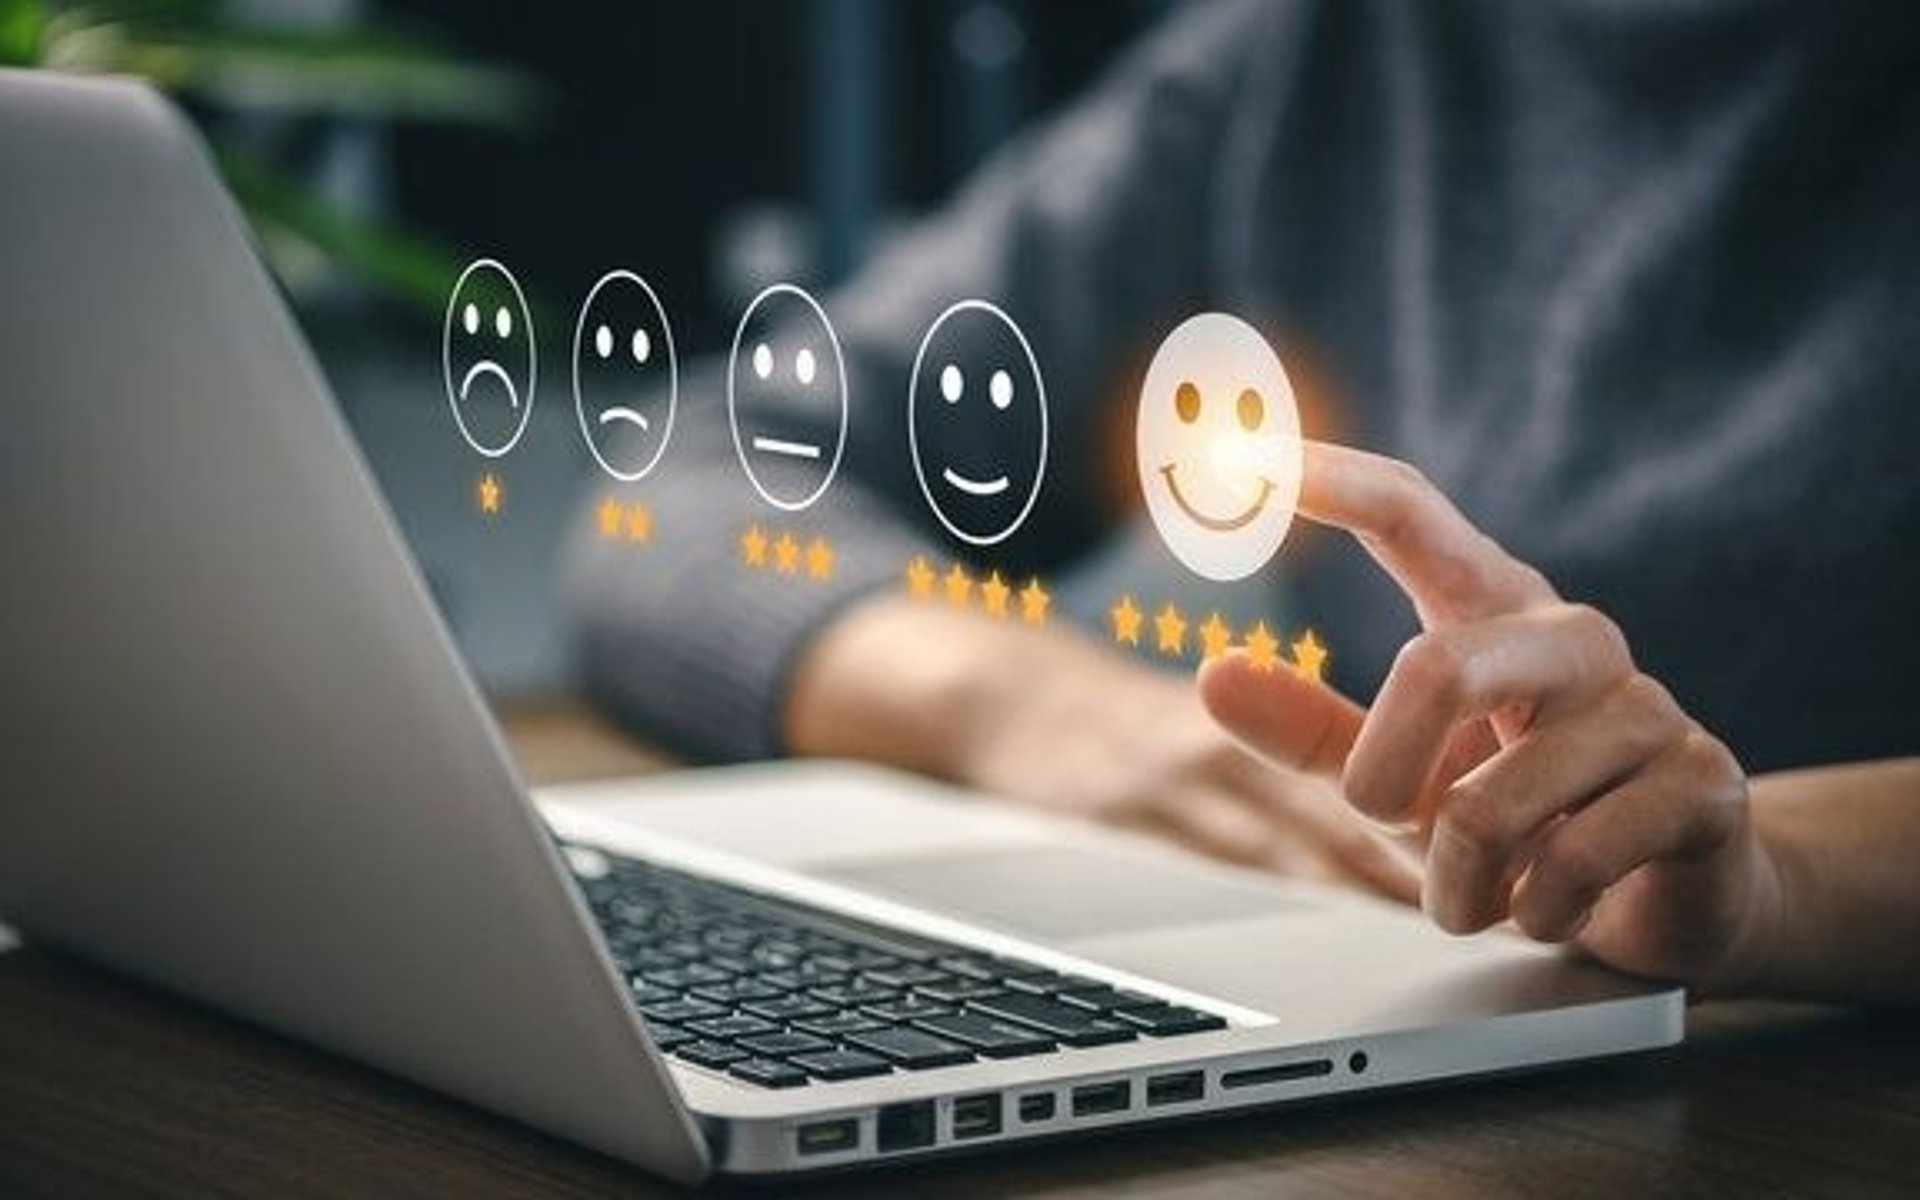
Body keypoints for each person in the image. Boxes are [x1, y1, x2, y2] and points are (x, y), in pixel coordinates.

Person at [565, 0, 1919, 1001]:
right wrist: (1046, 715)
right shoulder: (1320, 54)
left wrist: (1769, 880)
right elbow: (698, 474)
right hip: (1426, 1017)